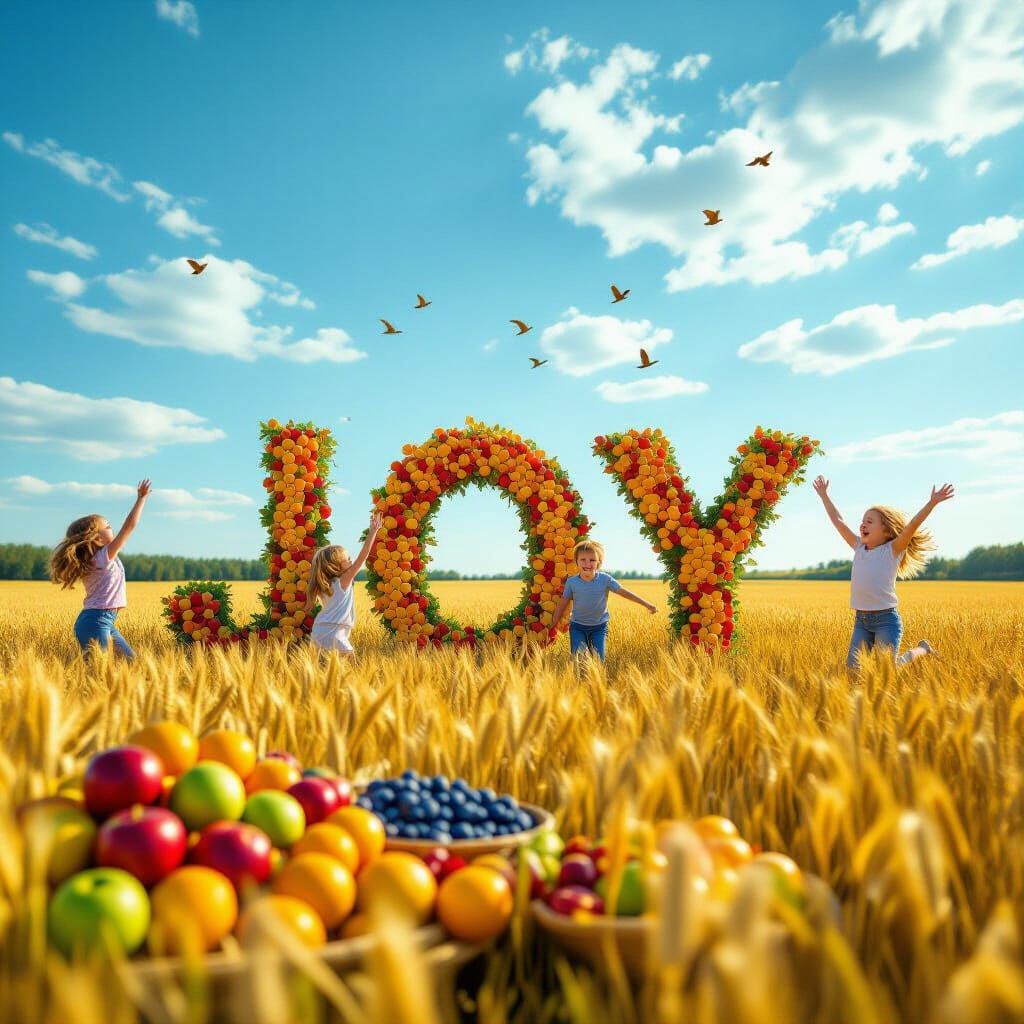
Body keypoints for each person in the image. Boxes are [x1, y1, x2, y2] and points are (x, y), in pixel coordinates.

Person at [812, 476, 954, 669]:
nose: (863, 524)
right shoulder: (858, 547)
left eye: (869, 521)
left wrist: (932, 503)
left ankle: (922, 650)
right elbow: (838, 521)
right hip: (861, 621)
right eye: (863, 521)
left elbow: (912, 526)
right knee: (853, 670)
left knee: (885, 669)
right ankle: (922, 650)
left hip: (886, 621)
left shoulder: (892, 550)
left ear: (887, 531)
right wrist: (824, 496)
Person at [49, 480, 152, 659]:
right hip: (96, 622)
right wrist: (141, 499)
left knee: (131, 663)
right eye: (108, 526)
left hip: (101, 622)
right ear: (96, 537)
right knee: (100, 669)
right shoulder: (102, 558)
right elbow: (129, 526)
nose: (112, 528)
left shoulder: (97, 559)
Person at [550, 539, 657, 661]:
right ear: (576, 562)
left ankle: (594, 672)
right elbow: (563, 601)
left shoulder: (605, 580)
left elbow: (624, 592)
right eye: (583, 559)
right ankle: (581, 672)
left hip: (599, 628)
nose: (587, 563)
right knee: (579, 657)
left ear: (598, 563)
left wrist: (647, 604)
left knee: (598, 660)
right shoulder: (572, 582)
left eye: (592, 560)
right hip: (577, 627)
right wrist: (554, 621)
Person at [304, 511, 383, 654]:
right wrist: (373, 531)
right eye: (347, 559)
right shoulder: (343, 581)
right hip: (334, 632)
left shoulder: (323, 584)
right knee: (352, 666)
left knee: (324, 666)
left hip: (320, 630)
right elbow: (362, 557)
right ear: (336, 565)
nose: (351, 561)